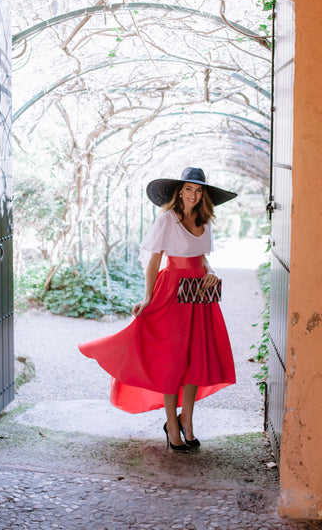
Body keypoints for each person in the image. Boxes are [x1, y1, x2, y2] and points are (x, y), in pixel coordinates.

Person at [79, 166, 237, 453]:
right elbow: (154, 262)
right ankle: (171, 425)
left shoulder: (205, 220)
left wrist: (211, 273)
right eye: (188, 189)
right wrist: (148, 297)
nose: (193, 194)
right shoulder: (167, 220)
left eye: (198, 190)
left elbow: (201, 259)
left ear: (204, 196)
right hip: (172, 292)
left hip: (199, 294)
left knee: (196, 359)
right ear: (179, 192)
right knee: (172, 361)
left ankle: (186, 420)